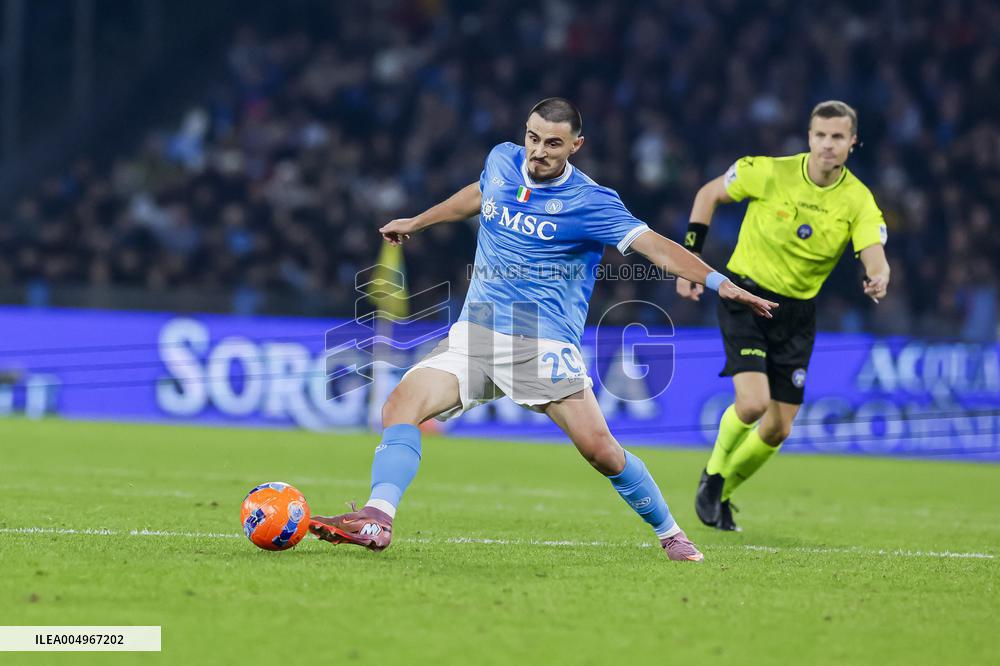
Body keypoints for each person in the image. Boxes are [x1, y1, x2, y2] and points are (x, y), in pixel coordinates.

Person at [309, 98, 776, 561]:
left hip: (541, 343)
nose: (538, 151)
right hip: (477, 332)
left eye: (553, 143)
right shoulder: (501, 160)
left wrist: (718, 282)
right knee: (400, 406)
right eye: (533, 138)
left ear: (576, 145)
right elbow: (480, 195)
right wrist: (418, 221)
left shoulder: (592, 201)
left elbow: (655, 247)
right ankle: (378, 517)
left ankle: (671, 534)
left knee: (601, 451)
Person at [678, 100, 891, 532]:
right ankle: (713, 476)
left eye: (837, 137)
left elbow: (874, 253)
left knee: (778, 429)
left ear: (852, 142)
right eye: (820, 135)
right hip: (746, 296)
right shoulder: (768, 171)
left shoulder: (858, 200)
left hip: (796, 313)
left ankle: (722, 494)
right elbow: (708, 194)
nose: (827, 144)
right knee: (753, 403)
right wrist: (690, 260)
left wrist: (878, 276)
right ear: (809, 137)